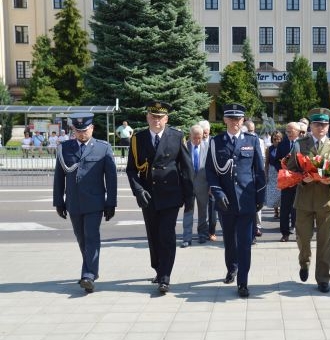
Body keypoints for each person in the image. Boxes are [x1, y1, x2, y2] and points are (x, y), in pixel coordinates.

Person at [126, 100, 194, 294]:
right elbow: (131, 170)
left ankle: (165, 276)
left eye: (160, 117)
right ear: (147, 117)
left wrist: (189, 197)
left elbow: (186, 168)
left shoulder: (176, 136)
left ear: (166, 118)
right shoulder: (138, 139)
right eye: (153, 117)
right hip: (148, 196)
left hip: (171, 195)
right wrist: (138, 190)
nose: (156, 121)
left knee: (167, 235)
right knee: (153, 236)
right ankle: (158, 269)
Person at [53, 113, 117, 294]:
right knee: (81, 239)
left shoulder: (103, 148)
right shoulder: (65, 148)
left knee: (91, 237)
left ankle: (88, 275)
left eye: (85, 130)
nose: (82, 134)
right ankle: (90, 271)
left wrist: (111, 202)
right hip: (74, 203)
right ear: (73, 130)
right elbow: (59, 176)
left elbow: (111, 178)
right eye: (78, 130)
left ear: (92, 128)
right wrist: (59, 201)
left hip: (95, 202)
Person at [206, 103, 265, 298]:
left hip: (247, 201)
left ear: (243, 120)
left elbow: (259, 171)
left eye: (238, 119)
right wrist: (218, 193)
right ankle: (232, 267)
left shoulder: (252, 140)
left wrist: (260, 196)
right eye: (231, 119)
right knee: (230, 240)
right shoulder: (216, 142)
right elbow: (211, 172)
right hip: (226, 201)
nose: (235, 123)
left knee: (245, 243)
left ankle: (243, 282)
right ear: (224, 120)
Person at [286, 108, 330, 293]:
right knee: (303, 238)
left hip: (326, 201)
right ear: (311, 126)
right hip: (304, 200)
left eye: (324, 124)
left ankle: (323, 278)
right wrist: (302, 177)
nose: (321, 127)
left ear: (328, 126)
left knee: (325, 242)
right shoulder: (300, 145)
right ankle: (304, 261)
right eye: (317, 124)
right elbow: (291, 171)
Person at [181, 122, 212, 247]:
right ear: (190, 135)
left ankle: (202, 235)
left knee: (203, 212)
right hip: (188, 185)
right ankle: (187, 238)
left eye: (200, 137)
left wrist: (210, 186)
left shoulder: (207, 147)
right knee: (188, 212)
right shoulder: (184, 147)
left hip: (203, 185)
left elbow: (211, 169)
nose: (197, 140)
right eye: (195, 137)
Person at [275, 122, 301, 242]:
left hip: (299, 181)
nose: (288, 133)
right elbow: (276, 160)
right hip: (286, 181)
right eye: (287, 131)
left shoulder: (303, 143)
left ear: (298, 131)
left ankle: (297, 232)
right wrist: (282, 170)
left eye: (291, 131)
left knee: (297, 208)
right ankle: (285, 233)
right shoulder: (282, 144)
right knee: (285, 208)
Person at [244, 120, 266, 240]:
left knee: (255, 209)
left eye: (253, 131)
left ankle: (256, 229)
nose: (252, 133)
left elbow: (260, 164)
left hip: (254, 181)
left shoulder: (258, 141)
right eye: (250, 131)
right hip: (245, 182)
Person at [265, 130, 283, 219]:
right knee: (274, 192)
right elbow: (267, 162)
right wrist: (266, 173)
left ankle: (282, 209)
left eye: (279, 139)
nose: (277, 140)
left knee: (281, 191)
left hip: (281, 171)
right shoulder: (269, 148)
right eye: (275, 139)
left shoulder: (283, 147)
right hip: (272, 172)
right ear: (272, 139)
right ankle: (276, 211)